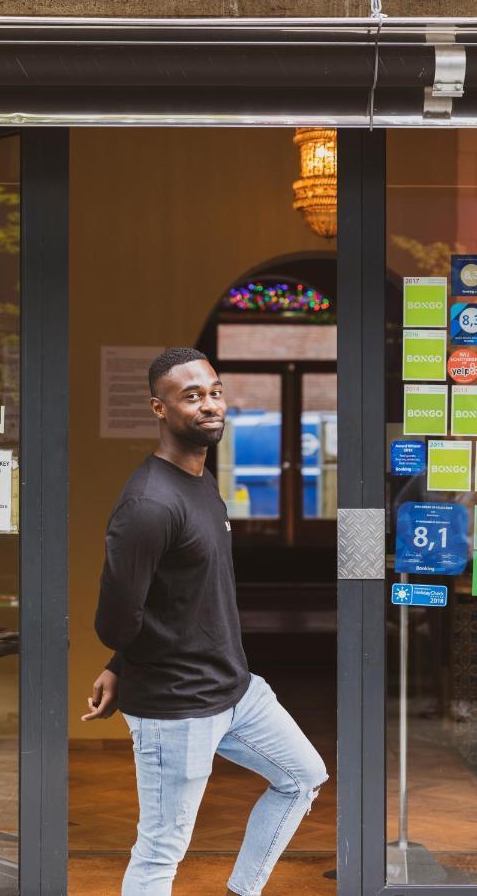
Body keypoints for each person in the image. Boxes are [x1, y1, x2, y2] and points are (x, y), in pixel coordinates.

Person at [82, 347, 327, 896]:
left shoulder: (199, 481)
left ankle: (243, 891)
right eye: (191, 396)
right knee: (161, 850)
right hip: (176, 709)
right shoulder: (148, 504)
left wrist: (119, 664)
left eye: (214, 391)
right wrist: (123, 658)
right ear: (159, 408)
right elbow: (116, 620)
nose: (210, 404)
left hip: (235, 689)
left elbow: (174, 597)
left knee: (302, 777)